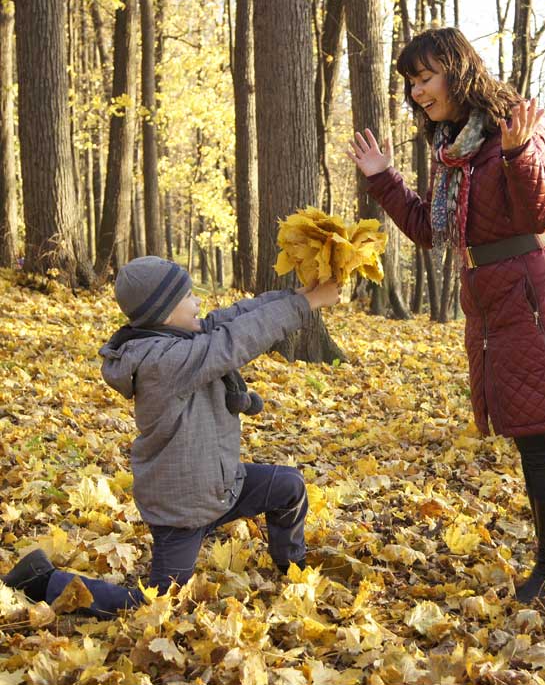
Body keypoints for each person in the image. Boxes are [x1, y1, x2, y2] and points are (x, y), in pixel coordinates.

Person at [347, 28, 545, 603]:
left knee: (539, 437)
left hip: (532, 297)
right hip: (492, 302)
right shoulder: (454, 145)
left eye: (424, 78)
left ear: (457, 71)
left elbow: (542, 210)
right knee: (530, 435)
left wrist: (517, 154)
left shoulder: (512, 126)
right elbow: (429, 230)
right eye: (411, 83)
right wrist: (383, 178)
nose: (416, 92)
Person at [2, 256, 340, 618]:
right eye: (190, 296)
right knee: (160, 604)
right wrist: (305, 305)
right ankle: (44, 581)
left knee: (289, 487)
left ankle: (293, 567)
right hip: (182, 507)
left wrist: (292, 294)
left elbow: (231, 319)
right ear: (164, 313)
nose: (199, 303)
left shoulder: (174, 338)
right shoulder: (164, 361)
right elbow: (236, 340)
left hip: (218, 484)